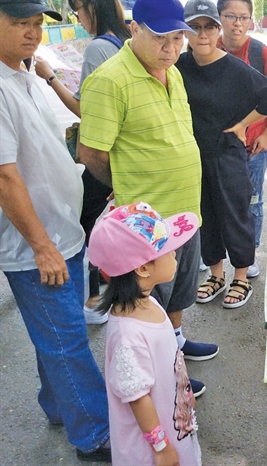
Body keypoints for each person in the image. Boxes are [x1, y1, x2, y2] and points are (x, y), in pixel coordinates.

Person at [77, 0, 218, 395]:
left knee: (179, 289)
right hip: (145, 226)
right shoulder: (110, 79)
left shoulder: (172, 72)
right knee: (143, 304)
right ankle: (155, 378)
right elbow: (90, 154)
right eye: (160, 37)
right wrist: (128, 193)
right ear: (134, 29)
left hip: (184, 211)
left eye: (178, 37)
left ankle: (175, 347)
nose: (171, 48)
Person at [0, 0, 110, 461]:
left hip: (61, 235)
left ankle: (60, 406)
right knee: (66, 339)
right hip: (37, 247)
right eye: (18, 23)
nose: (31, 32)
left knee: (55, 334)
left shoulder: (22, 75)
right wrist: (42, 247)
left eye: (35, 23)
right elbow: (4, 175)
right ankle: (96, 432)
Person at [176, 0, 267, 307]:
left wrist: (244, 124)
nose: (202, 35)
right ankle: (215, 274)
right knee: (206, 217)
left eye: (209, 27)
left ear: (217, 29)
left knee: (236, 215)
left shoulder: (235, 68)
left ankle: (240, 277)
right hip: (194, 159)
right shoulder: (179, 67)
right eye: (194, 28)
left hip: (228, 156)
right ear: (184, 33)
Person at [33, 0, 131, 325]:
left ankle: (93, 298)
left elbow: (84, 111)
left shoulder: (97, 49)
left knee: (81, 227)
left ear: (93, 8)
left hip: (104, 155)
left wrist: (49, 77)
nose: (77, 16)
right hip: (128, 154)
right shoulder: (126, 40)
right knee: (116, 224)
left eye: (78, 9)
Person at [88, 202, 202, 465]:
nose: (176, 253)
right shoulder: (128, 335)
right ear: (142, 268)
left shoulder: (148, 302)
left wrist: (184, 392)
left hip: (173, 417)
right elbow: (137, 398)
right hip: (152, 445)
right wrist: (161, 447)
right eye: (168, 249)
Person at [216, 0, 267, 279]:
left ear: (250, 21)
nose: (237, 23)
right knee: (216, 201)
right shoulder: (207, 48)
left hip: (253, 146)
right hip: (217, 146)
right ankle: (217, 256)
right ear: (219, 18)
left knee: (251, 202)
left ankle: (249, 253)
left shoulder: (260, 53)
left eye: (243, 17)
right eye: (231, 16)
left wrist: (266, 134)